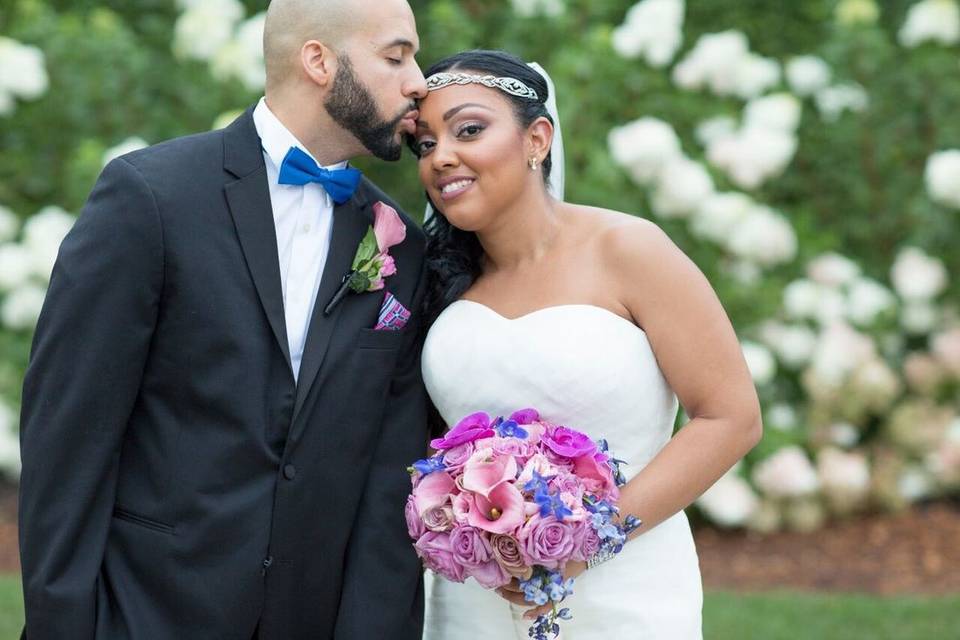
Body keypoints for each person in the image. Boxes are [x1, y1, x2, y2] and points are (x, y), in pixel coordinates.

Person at [18, 1, 429, 638]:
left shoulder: (398, 243)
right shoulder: (150, 197)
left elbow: (388, 480)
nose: (417, 82)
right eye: (395, 56)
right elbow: (68, 438)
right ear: (318, 60)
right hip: (146, 612)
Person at [412, 50, 763, 639]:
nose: (441, 155)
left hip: (625, 585)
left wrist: (583, 542)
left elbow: (730, 417)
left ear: (537, 139)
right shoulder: (437, 280)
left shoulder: (628, 250)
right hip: (475, 597)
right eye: (425, 143)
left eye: (468, 130)